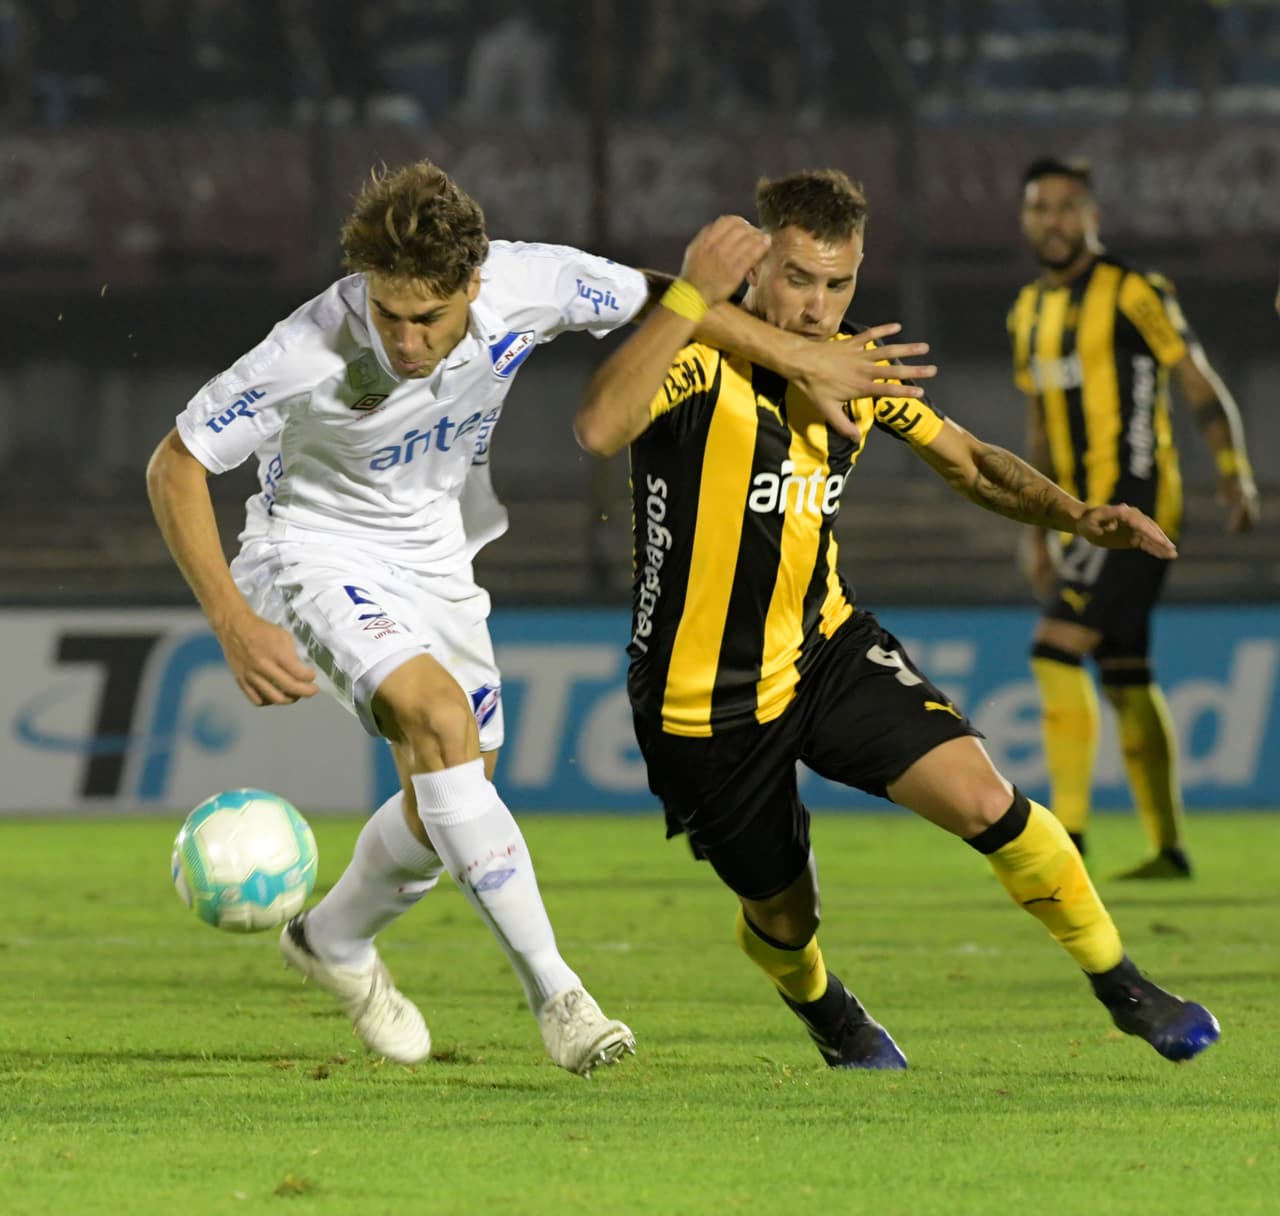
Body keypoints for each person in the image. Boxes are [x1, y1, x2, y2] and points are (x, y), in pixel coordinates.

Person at [146, 159, 937, 1077]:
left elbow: (662, 301)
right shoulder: (307, 347)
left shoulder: (529, 280)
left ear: (474, 285)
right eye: (389, 314)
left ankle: (332, 942)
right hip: (313, 549)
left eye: (428, 320)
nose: (405, 341)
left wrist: (800, 353)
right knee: (441, 726)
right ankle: (559, 993)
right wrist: (234, 624)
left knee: (446, 798)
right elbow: (177, 462)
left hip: (436, 555)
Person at [573, 169, 1220, 1070]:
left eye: (839, 284)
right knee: (785, 916)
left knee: (986, 798)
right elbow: (599, 424)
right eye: (798, 278)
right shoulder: (694, 356)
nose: (818, 306)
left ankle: (1124, 983)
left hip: (825, 647)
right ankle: (825, 1007)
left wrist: (1075, 514)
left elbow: (968, 462)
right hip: (700, 701)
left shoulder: (855, 367)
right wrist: (689, 293)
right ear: (757, 265)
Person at [1010, 156, 1259, 879]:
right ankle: (1169, 848)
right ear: (1025, 220)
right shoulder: (1026, 311)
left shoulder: (1132, 291)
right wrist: (1035, 530)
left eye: (1066, 207)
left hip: (1135, 503)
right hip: (1078, 512)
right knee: (1123, 672)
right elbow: (1038, 436)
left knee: (1054, 650)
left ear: (1091, 215)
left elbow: (1193, 376)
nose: (1052, 221)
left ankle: (1070, 841)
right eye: (1039, 208)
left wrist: (1234, 469)